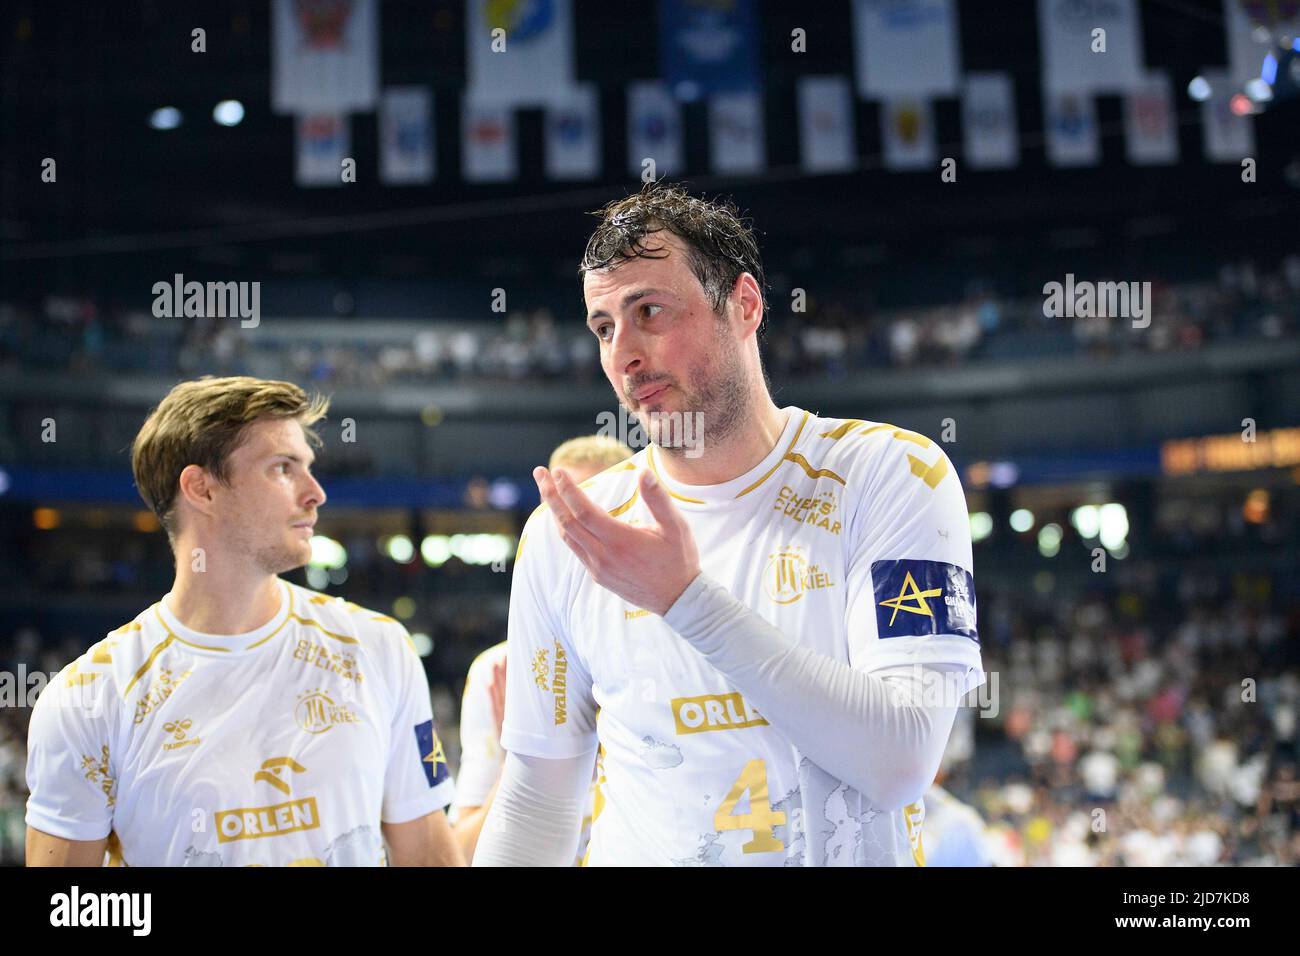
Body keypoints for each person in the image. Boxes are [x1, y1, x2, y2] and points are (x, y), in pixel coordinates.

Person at [473, 183, 985, 867]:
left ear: (744, 305)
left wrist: (687, 601)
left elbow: (902, 760)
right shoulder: (570, 535)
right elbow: (539, 801)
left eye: (648, 311)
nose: (622, 354)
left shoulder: (893, 475)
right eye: (602, 327)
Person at [25, 376, 462, 866]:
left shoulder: (378, 648)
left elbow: (426, 854)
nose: (315, 493)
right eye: (282, 468)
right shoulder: (88, 697)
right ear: (201, 489)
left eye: (308, 469)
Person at [451, 435, 634, 862]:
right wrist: (518, 766)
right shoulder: (500, 669)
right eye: (562, 516)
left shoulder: (668, 644)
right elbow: (459, 853)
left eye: (597, 513)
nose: (575, 534)